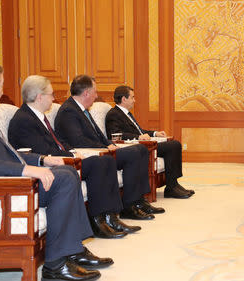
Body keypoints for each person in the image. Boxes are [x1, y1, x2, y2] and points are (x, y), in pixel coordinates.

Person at [0, 62, 110, 281]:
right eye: (0, 86)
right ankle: (56, 264)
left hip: (8, 183)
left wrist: (42, 159)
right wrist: (26, 170)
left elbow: (6, 153)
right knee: (65, 180)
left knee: (66, 172)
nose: (2, 92)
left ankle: (72, 250)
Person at [8, 75, 142, 238]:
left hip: (62, 158)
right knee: (99, 164)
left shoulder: (37, 115)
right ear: (39, 97)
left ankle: (110, 216)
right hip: (51, 165)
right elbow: (44, 151)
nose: (54, 98)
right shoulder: (24, 119)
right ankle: (97, 221)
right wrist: (71, 154)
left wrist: (71, 151)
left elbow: (58, 143)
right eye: (51, 94)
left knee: (106, 160)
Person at [55, 75, 165, 220]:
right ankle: (129, 206)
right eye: (95, 91)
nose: (96, 95)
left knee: (141, 150)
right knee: (133, 153)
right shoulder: (68, 111)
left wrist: (110, 144)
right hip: (90, 154)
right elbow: (79, 141)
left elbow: (98, 134)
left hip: (101, 150)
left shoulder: (82, 109)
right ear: (86, 93)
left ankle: (139, 200)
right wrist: (106, 148)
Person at [106, 85, 194, 199]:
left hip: (144, 144)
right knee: (173, 145)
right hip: (137, 146)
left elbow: (140, 131)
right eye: (132, 97)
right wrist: (138, 137)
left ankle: (173, 184)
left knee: (174, 145)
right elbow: (116, 135)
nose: (134, 100)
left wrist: (154, 133)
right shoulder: (113, 114)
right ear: (124, 99)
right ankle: (171, 187)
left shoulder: (127, 113)